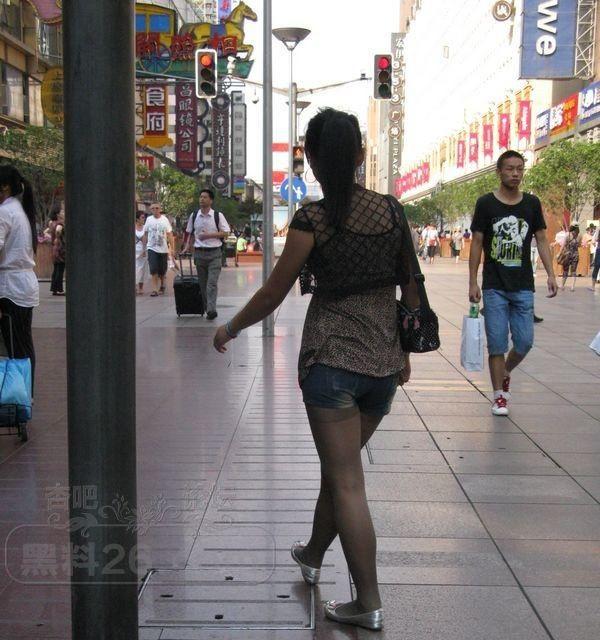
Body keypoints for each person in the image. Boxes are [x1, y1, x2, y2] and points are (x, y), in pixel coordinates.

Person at [213, 108, 419, 631]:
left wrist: (230, 327)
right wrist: (404, 353)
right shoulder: (392, 213)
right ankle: (310, 554)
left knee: (347, 481)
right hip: (382, 366)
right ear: (360, 155)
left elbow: (272, 292)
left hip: (331, 364)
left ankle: (367, 601)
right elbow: (411, 285)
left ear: (313, 160)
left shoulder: (313, 221)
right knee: (339, 470)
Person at [469, 150, 557, 417]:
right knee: (497, 343)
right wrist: (472, 281)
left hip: (523, 285)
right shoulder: (486, 203)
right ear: (499, 172)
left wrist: (551, 274)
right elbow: (477, 242)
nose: (515, 173)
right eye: (509, 169)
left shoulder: (531, 203)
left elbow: (542, 238)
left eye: (519, 168)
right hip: (494, 286)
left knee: (524, 342)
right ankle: (499, 396)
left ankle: (506, 371)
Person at [0, 165, 39, 392]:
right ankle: (25, 394)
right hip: (23, 287)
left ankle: (17, 395)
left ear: (5, 187)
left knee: (15, 347)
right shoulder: (20, 211)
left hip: (10, 289)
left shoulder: (5, 211)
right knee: (23, 345)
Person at [182, 189, 230, 320]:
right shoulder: (194, 215)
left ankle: (211, 309)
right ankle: (207, 307)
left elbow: (226, 232)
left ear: (211, 200)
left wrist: (208, 235)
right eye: (200, 197)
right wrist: (186, 247)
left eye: (205, 197)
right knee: (203, 284)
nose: (201, 199)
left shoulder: (217, 216)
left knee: (211, 283)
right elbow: (189, 233)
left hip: (215, 253)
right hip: (199, 254)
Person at [142, 202, 174, 297]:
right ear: (150, 210)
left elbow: (169, 234)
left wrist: (172, 248)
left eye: (157, 208)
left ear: (160, 209)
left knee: (162, 270)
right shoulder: (149, 220)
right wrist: (144, 248)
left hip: (163, 249)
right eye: (153, 208)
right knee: (153, 268)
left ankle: (162, 283)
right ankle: (154, 289)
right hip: (151, 248)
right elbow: (145, 234)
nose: (155, 210)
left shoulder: (165, 220)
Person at [48, 207, 66, 296]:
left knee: (56, 269)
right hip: (60, 248)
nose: (63, 213)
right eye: (62, 211)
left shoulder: (52, 223)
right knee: (60, 269)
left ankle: (54, 288)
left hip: (55, 247)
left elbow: (47, 231)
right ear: (58, 214)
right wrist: (58, 237)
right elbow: (58, 230)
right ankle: (59, 289)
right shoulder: (59, 224)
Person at [558, 225, 580, 292]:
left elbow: (563, 245)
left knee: (568, 270)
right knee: (571, 271)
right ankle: (570, 286)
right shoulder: (579, 236)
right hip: (574, 254)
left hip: (568, 254)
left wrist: (559, 253)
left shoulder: (568, 235)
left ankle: (564, 285)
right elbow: (579, 245)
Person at [135, 211, 148, 295]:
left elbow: (145, 240)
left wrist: (144, 250)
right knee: (135, 269)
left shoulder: (145, 228)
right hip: (134, 251)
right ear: (137, 219)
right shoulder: (132, 228)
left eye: (144, 217)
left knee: (142, 269)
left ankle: (140, 287)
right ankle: (134, 286)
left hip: (143, 251)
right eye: (142, 217)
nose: (144, 219)